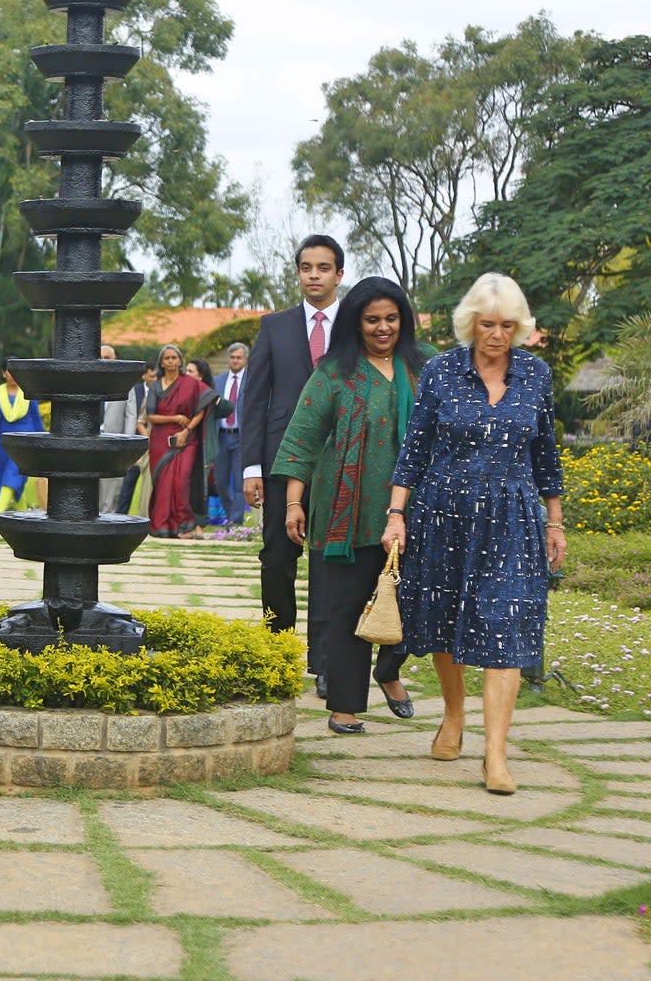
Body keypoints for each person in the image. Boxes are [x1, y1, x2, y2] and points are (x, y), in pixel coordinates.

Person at [383, 273, 566, 795]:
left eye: (507, 325)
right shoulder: (441, 371)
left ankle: (496, 756)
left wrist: (555, 520)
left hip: (512, 517)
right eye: (487, 324)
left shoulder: (536, 375)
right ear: (471, 324)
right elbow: (414, 450)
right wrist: (397, 515)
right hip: (444, 514)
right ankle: (455, 715)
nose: (496, 335)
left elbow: (546, 453)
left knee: (505, 624)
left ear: (519, 327)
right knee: (445, 620)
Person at [274, 277, 435, 734]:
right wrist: (293, 504)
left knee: (413, 601)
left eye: (391, 318)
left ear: (403, 320)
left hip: (416, 511)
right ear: (356, 322)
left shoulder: (422, 371)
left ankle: (388, 670)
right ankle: (344, 706)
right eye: (372, 319)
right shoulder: (334, 372)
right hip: (348, 512)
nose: (383, 327)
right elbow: (301, 440)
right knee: (346, 608)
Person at [241, 234, 343, 683]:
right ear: (298, 272)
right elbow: (254, 399)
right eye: (306, 268)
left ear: (339, 273)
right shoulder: (274, 326)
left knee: (328, 562)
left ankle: (323, 662)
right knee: (278, 557)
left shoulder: (355, 328)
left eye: (323, 268)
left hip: (341, 462)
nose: (314, 276)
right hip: (282, 460)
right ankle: (276, 651)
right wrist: (251, 467)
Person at [145, 344, 219, 538]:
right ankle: (162, 526)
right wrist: (175, 418)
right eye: (167, 358)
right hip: (161, 440)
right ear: (161, 362)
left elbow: (202, 407)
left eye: (174, 358)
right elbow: (151, 416)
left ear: (179, 360)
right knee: (163, 483)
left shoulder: (191, 384)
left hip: (187, 439)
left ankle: (184, 526)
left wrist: (186, 430)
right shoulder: (155, 385)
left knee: (181, 481)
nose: (170, 361)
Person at [0, 359, 45, 516]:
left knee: (12, 475)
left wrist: (42, 445)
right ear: (3, 373)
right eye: (10, 371)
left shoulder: (28, 392)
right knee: (13, 480)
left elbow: (36, 420)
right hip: (4, 446)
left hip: (24, 445)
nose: (13, 375)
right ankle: (23, 513)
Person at [185, 357, 235, 533]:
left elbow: (228, 408)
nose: (186, 374)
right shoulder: (182, 393)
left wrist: (212, 396)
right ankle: (185, 525)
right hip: (183, 447)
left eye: (191, 371)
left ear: (200, 376)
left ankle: (198, 526)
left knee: (200, 488)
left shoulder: (209, 397)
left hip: (204, 449)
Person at [213, 343, 249, 525]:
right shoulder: (218, 381)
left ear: (245, 359)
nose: (235, 360)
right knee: (220, 481)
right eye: (232, 357)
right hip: (221, 436)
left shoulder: (252, 380)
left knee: (239, 481)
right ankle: (230, 516)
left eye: (239, 357)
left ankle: (235, 521)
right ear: (228, 359)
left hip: (241, 437)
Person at [99, 344, 137, 513]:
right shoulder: (85, 381)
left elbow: (131, 416)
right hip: (88, 440)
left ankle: (106, 520)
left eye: (108, 358)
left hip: (113, 441)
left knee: (111, 487)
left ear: (115, 360)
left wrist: (126, 443)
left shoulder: (125, 384)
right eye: (101, 358)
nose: (104, 361)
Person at [115, 362, 155, 516]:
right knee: (128, 483)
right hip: (134, 446)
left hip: (152, 447)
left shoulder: (160, 392)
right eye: (151, 376)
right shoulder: (134, 391)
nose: (154, 379)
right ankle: (120, 514)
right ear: (144, 375)